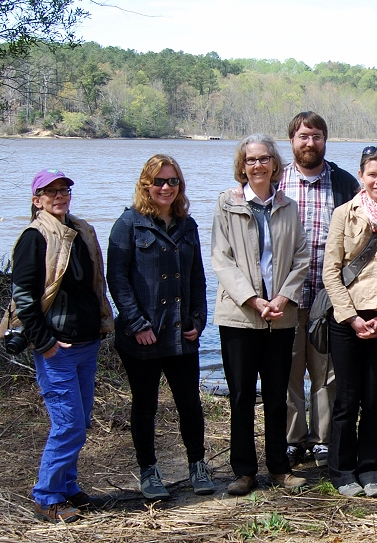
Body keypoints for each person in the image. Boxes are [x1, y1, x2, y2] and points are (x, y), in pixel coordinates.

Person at [5, 168, 114, 523]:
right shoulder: (34, 238)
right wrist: (44, 341)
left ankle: (67, 487)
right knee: (67, 424)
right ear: (37, 200)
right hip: (57, 349)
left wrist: (102, 323)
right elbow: (23, 297)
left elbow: (95, 284)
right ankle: (46, 496)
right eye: (50, 191)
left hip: (86, 343)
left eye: (64, 190)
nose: (59, 196)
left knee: (80, 422)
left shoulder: (80, 230)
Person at [107, 154, 214, 500]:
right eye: (159, 181)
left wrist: (198, 321)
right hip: (142, 337)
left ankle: (198, 465)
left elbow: (197, 279)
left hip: (181, 334)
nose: (166, 187)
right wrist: (137, 323)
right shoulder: (128, 224)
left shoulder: (188, 225)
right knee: (145, 405)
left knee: (189, 404)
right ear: (146, 184)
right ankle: (148, 471)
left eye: (173, 181)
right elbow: (117, 279)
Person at [213, 134, 310, 496]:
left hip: (281, 317)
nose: (258, 165)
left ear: (275, 164)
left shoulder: (288, 206)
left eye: (264, 158)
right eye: (251, 159)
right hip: (240, 316)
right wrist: (254, 299)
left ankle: (279, 467)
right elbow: (221, 259)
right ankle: (244, 471)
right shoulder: (227, 203)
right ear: (243, 165)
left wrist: (283, 297)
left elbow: (301, 257)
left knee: (276, 393)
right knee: (240, 395)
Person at [323, 146, 377, 498]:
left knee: (374, 399)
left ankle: (372, 469)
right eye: (372, 174)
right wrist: (352, 317)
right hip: (347, 318)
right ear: (362, 176)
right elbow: (331, 272)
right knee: (347, 398)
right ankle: (342, 471)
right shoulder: (344, 213)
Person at [277, 112, 359, 467]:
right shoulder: (276, 180)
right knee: (289, 371)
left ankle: (323, 439)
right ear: (292, 140)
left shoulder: (343, 182)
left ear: (326, 140)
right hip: (286, 294)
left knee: (327, 374)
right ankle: (293, 439)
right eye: (303, 136)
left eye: (317, 136)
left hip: (329, 296)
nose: (310, 143)